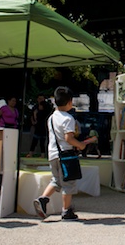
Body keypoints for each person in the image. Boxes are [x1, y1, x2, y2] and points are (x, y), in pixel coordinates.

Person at [33, 86, 95, 221]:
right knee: (68, 183)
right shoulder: (68, 118)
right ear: (69, 102)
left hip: (53, 154)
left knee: (56, 180)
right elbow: (68, 138)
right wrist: (81, 145)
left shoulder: (51, 117)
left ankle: (43, 199)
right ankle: (66, 211)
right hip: (66, 156)